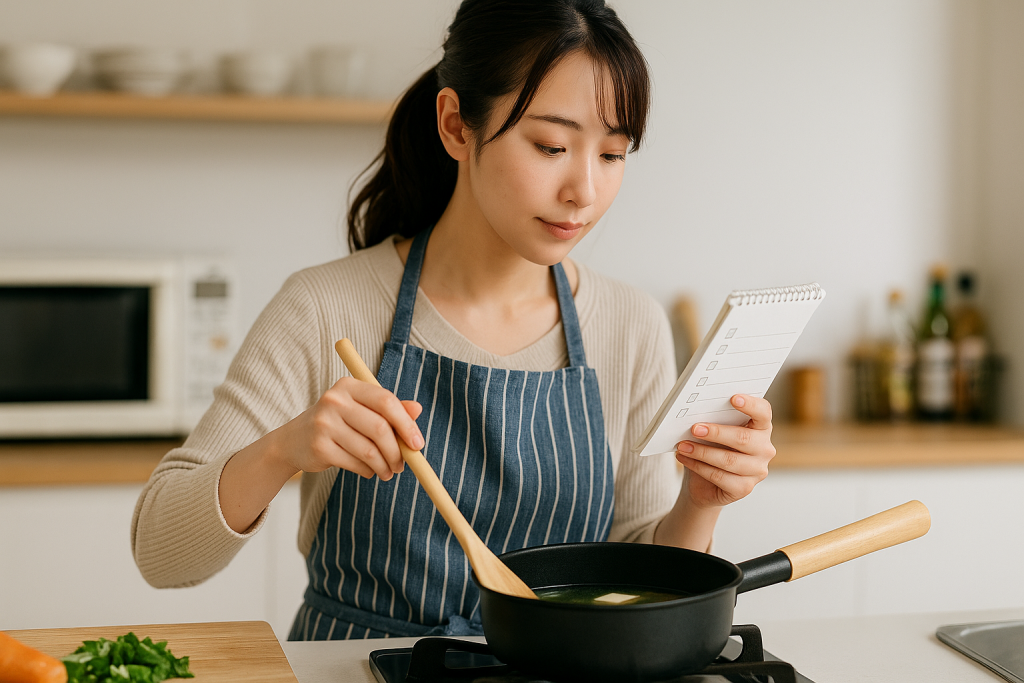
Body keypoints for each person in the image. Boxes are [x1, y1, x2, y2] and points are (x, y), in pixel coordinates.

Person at [131, 0, 777, 640]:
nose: (584, 189)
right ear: (456, 126)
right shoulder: (326, 307)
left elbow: (643, 579)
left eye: (612, 154)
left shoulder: (630, 323)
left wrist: (699, 501)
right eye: (551, 144)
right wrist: (284, 448)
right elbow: (160, 554)